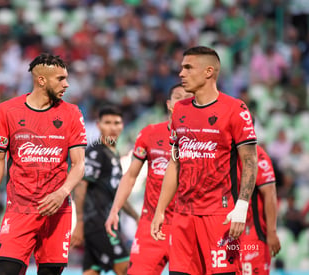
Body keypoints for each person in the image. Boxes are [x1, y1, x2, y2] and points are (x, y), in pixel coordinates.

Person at [151, 46, 258, 275]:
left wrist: (241, 206)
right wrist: (161, 209)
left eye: (188, 68)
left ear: (209, 72)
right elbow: (175, 162)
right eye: (181, 68)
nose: (181, 74)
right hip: (183, 216)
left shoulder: (235, 109)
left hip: (219, 216)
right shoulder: (179, 109)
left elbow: (250, 161)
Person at [0, 53, 87, 275]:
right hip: (19, 209)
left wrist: (62, 192)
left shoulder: (72, 113)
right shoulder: (7, 110)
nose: (66, 84)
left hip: (57, 211)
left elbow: (79, 164)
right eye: (60, 78)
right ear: (41, 80)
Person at [105, 84, 193, 275]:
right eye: (178, 96)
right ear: (169, 104)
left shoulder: (200, 139)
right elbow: (130, 176)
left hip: (186, 224)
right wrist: (115, 210)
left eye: (188, 97)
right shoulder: (150, 133)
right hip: (151, 224)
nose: (183, 100)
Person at [71, 106, 139, 275]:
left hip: (105, 223)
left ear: (123, 125)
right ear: (98, 125)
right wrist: (79, 222)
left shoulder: (113, 155)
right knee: (125, 267)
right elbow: (80, 186)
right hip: (99, 223)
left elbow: (117, 194)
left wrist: (136, 216)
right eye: (107, 122)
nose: (112, 127)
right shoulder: (96, 153)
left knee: (91, 271)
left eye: (117, 123)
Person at [239, 145, 281, 275]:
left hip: (252, 234)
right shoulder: (222, 151)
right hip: (227, 234)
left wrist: (271, 232)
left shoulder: (258, 154)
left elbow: (270, 192)